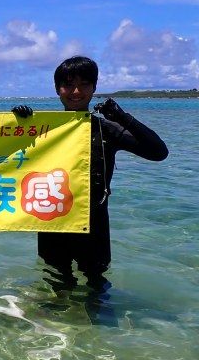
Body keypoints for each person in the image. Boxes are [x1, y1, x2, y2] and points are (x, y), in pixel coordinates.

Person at [13, 55, 168, 285]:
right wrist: (19, 124)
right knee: (56, 287)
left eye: (84, 84)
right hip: (54, 222)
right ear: (57, 89)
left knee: (97, 291)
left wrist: (121, 116)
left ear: (94, 87)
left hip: (94, 224)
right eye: (68, 84)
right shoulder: (41, 130)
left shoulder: (106, 129)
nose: (76, 91)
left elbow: (158, 152)